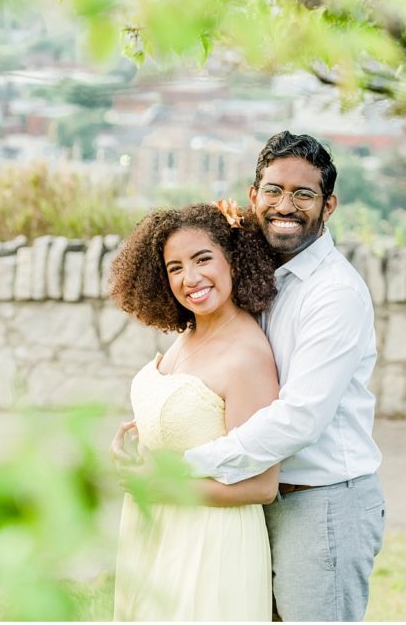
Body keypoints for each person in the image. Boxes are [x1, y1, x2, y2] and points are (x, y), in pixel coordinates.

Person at [182, 131, 386, 622]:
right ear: (253, 196)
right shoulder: (256, 275)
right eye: (273, 190)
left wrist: (188, 463)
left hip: (320, 508)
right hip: (256, 503)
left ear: (328, 205)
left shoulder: (333, 294)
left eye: (303, 194)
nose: (285, 205)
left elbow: (299, 418)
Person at [107, 201, 282, 621]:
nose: (190, 278)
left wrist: (163, 487)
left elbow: (262, 485)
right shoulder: (187, 337)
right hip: (161, 530)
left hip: (212, 544)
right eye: (175, 268)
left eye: (203, 259)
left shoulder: (247, 356)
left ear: (233, 260)